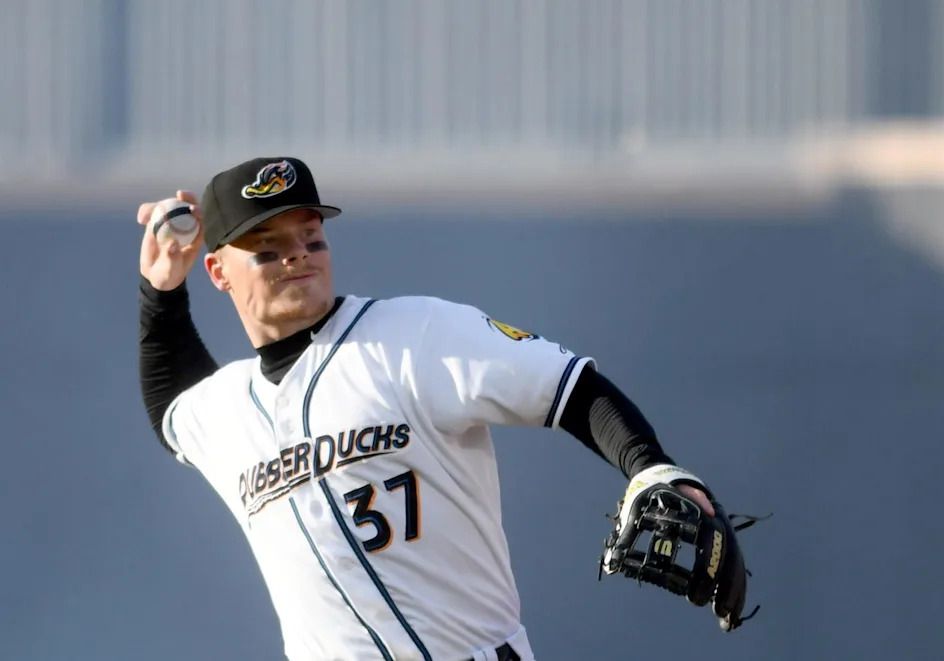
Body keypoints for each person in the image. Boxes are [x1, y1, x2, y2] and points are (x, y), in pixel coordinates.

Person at [138, 156, 746, 661]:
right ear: (218, 271)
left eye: (311, 237)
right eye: (267, 247)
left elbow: (569, 388)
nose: (298, 255)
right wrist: (161, 290)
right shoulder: (227, 410)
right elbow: (172, 405)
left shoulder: (412, 335)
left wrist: (648, 464)